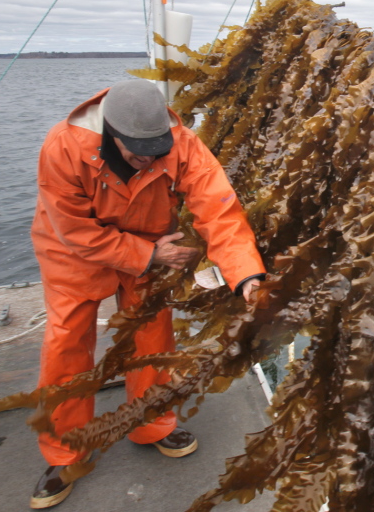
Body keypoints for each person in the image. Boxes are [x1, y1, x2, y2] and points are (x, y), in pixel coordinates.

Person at [28, 79, 266, 509]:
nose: (148, 158)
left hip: (154, 244)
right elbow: (74, 230)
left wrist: (246, 275)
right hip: (74, 252)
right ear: (111, 134)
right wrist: (146, 254)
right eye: (138, 151)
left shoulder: (182, 144)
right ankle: (64, 452)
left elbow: (220, 210)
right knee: (66, 342)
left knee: (154, 337)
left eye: (157, 150)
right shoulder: (62, 146)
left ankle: (152, 424)